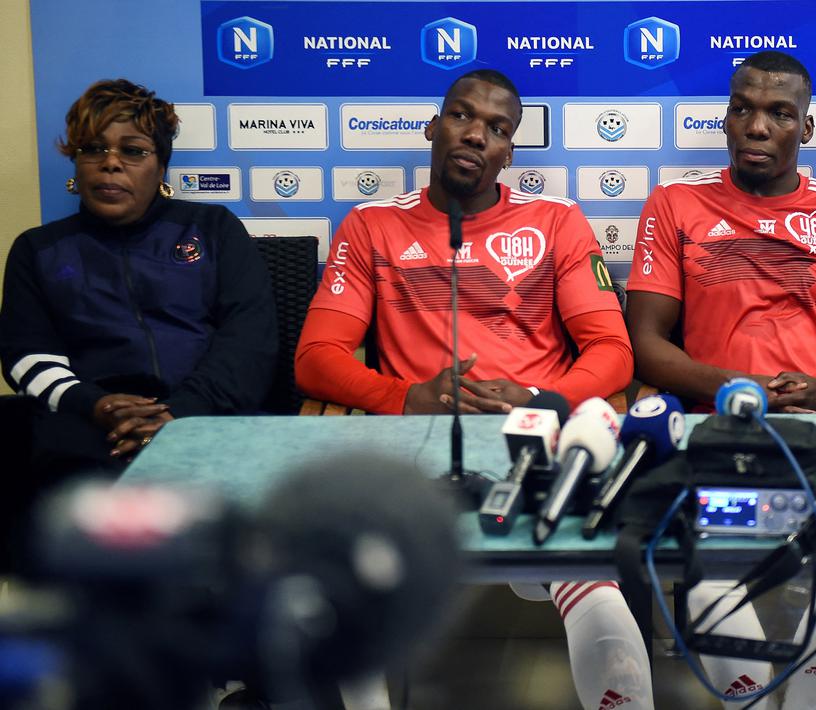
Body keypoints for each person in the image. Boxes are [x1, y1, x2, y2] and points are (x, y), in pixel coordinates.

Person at [293, 69, 648, 709]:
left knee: (593, 581)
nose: (475, 135)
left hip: (534, 443)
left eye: (496, 128)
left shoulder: (557, 220)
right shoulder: (373, 224)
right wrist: (408, 397)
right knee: (348, 581)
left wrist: (545, 402)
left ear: (509, 151)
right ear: (434, 126)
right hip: (412, 447)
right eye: (462, 116)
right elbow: (316, 359)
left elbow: (612, 352)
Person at [626, 51, 816, 707]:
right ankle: (748, 698)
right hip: (717, 438)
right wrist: (736, 384)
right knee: (703, 563)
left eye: (778, 113)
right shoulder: (675, 204)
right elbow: (644, 347)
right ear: (726, 119)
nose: (756, 126)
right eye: (742, 108)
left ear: (805, 130)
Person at [0, 79, 277, 557]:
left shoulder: (213, 229)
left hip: (206, 421)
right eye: (93, 149)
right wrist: (96, 404)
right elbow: (25, 355)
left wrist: (180, 415)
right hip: (88, 431)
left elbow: (249, 339)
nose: (110, 163)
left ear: (161, 165)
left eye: (133, 151)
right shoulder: (38, 249)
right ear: (76, 163)